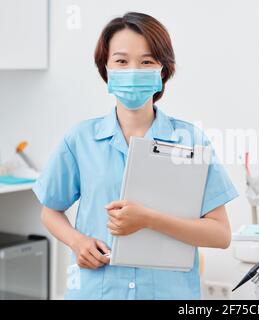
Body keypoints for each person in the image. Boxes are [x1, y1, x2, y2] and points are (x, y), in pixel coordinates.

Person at [32, 12, 238, 300]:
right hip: (97, 291)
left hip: (169, 293)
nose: (132, 70)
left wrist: (149, 219)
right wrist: (77, 242)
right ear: (106, 69)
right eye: (121, 61)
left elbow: (220, 235)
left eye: (146, 61)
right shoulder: (79, 139)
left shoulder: (190, 141)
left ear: (162, 71)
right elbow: (50, 210)